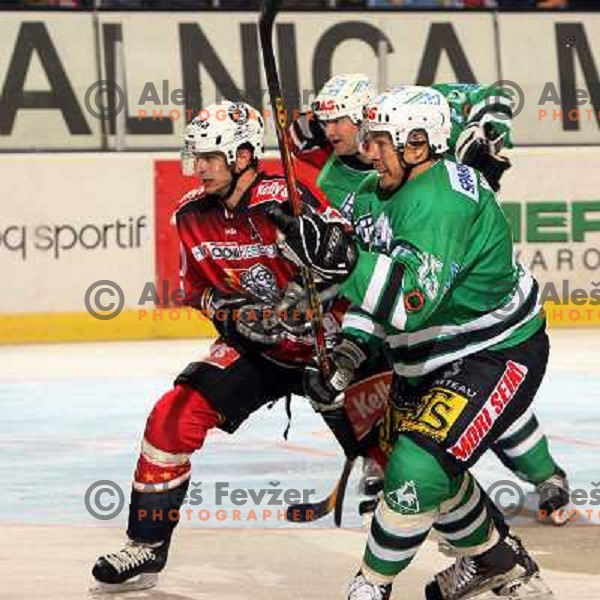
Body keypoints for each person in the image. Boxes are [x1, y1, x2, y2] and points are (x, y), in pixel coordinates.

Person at [270, 86, 555, 600]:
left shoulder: (437, 201)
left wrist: (343, 262)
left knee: (417, 465)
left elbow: (408, 301)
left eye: (379, 141)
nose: (368, 150)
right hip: (427, 355)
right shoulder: (387, 185)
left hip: (490, 350)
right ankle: (496, 560)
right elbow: (381, 295)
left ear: (418, 146)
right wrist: (350, 349)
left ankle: (370, 587)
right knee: (424, 463)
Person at [90, 100, 383, 593]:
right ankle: (146, 547)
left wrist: (317, 268)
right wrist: (230, 314)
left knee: (401, 458)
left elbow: (346, 262)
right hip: (259, 350)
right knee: (172, 416)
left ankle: (485, 552)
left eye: (209, 156)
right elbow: (197, 292)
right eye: (196, 155)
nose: (198, 166)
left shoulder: (290, 196)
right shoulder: (191, 216)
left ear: (244, 155)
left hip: (330, 347)